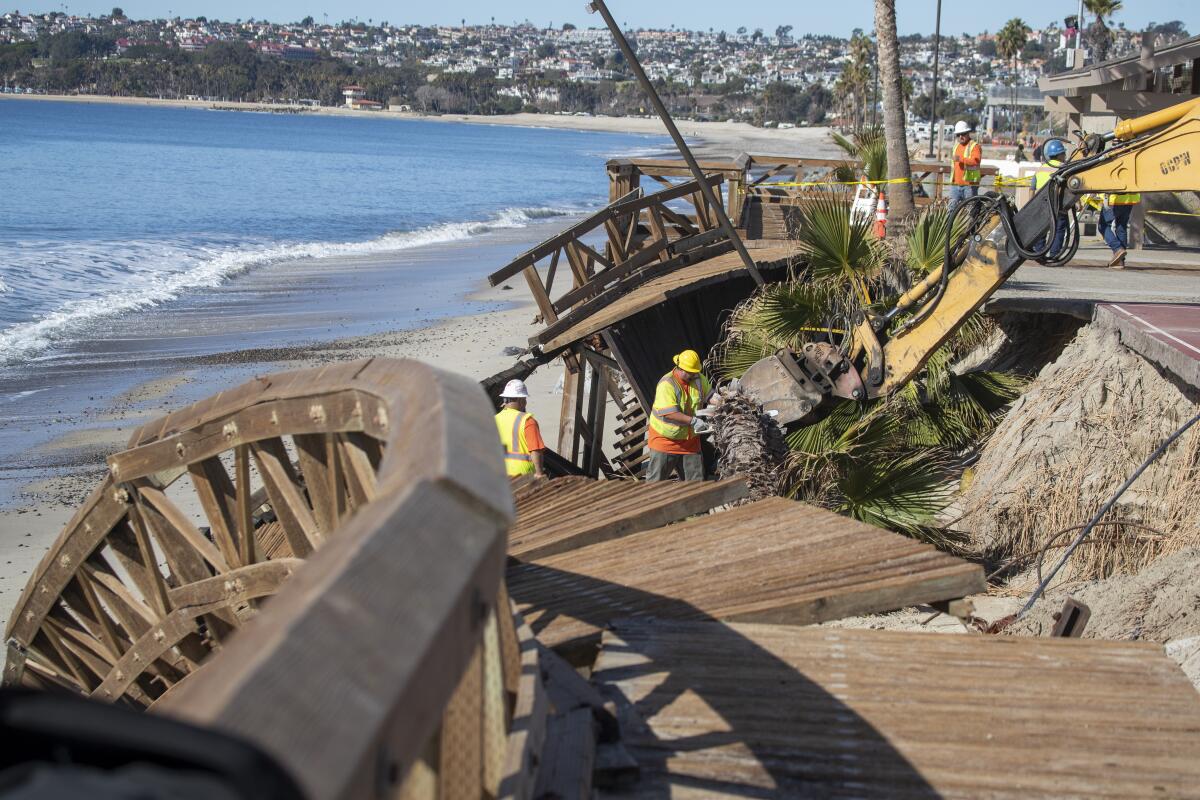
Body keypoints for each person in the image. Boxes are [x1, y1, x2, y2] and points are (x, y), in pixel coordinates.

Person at [646, 349, 714, 482]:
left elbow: (709, 395)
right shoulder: (667, 384)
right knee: (654, 484)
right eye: (691, 372)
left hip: (690, 442)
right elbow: (670, 413)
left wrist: (725, 402)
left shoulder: (698, 378)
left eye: (695, 372)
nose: (694, 375)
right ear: (681, 369)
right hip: (665, 441)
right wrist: (694, 421)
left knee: (696, 485)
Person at [495, 379, 547, 479]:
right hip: (522, 478)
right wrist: (539, 474)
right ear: (520, 400)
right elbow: (535, 450)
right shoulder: (527, 421)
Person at [1034, 139, 1070, 259]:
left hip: (1042, 203)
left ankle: (1039, 252)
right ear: (1059, 155)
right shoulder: (1064, 168)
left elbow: (1032, 187)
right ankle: (1054, 254)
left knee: (1041, 229)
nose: (1065, 156)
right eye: (1063, 154)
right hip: (1058, 204)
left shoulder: (1041, 168)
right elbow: (1070, 187)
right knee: (1059, 229)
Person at [1099, 191, 1141, 269]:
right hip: (1129, 199)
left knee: (1103, 226)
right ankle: (1119, 261)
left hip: (1113, 198)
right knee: (1121, 227)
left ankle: (1117, 249)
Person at [949, 120, 982, 210]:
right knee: (951, 210)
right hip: (955, 185)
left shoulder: (974, 146)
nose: (960, 137)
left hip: (969, 186)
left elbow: (975, 161)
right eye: (958, 135)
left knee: (970, 212)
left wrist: (961, 159)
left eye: (963, 134)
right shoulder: (956, 146)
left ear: (968, 133)